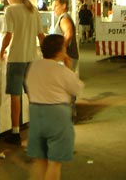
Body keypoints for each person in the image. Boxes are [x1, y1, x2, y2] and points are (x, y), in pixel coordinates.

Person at [25, 34, 84, 180]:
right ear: (59, 51)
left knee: (39, 160)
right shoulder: (61, 71)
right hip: (57, 115)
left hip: (35, 113)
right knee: (54, 162)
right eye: (64, 47)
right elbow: (77, 90)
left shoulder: (33, 66)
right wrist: (69, 68)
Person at [0, 0, 45, 145]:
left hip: (16, 59)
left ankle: (15, 132)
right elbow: (41, 35)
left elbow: (8, 35)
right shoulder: (33, 10)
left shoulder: (10, 10)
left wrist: (1, 51)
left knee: (16, 96)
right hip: (32, 59)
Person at [52, 0, 79, 71]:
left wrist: (61, 51)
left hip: (66, 57)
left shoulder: (64, 18)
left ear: (64, 6)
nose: (54, 9)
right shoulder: (64, 17)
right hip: (66, 57)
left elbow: (68, 34)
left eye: (56, 6)